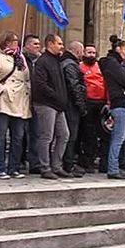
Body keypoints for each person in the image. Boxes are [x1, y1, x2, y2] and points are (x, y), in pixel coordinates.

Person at [0, 31, 31, 179]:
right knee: (0, 135)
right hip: (3, 100)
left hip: (20, 100)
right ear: (5, 41)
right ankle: (0, 167)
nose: (15, 43)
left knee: (18, 136)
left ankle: (14, 167)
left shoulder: (20, 57)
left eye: (17, 40)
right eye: (12, 40)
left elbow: (26, 77)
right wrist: (2, 89)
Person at [32, 34, 70, 179]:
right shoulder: (43, 61)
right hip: (46, 104)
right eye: (59, 43)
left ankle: (57, 165)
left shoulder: (57, 61)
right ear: (50, 44)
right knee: (46, 136)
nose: (62, 46)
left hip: (58, 105)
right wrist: (55, 96)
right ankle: (45, 167)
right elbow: (41, 84)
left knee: (64, 134)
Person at [101, 35, 125, 179]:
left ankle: (113, 167)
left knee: (117, 137)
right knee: (118, 138)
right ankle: (113, 169)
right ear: (118, 49)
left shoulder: (113, 63)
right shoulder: (113, 64)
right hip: (119, 102)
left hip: (118, 102)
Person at [78, 44, 109, 173]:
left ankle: (104, 162)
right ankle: (88, 162)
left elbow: (107, 84)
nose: (91, 55)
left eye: (93, 53)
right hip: (88, 102)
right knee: (88, 134)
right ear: (84, 53)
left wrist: (108, 101)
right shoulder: (79, 67)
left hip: (101, 103)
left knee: (104, 134)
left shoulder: (100, 67)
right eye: (88, 52)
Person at [60, 41, 87, 176]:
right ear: (77, 51)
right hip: (70, 105)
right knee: (71, 135)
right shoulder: (70, 65)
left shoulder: (66, 62)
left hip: (68, 103)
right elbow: (74, 87)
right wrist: (81, 105)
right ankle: (68, 164)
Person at [22, 34, 42, 174]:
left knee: (36, 133)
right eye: (35, 44)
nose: (38, 46)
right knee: (19, 133)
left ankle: (34, 162)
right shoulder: (20, 59)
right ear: (27, 45)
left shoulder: (41, 61)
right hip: (21, 100)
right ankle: (19, 160)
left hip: (36, 101)